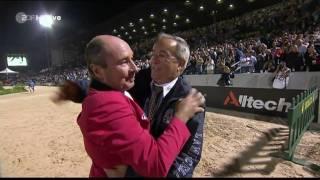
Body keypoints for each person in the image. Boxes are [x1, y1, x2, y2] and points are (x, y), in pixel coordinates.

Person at [54, 33, 206, 178]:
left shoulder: (191, 102)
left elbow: (190, 156)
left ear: (180, 65)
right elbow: (107, 83)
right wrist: (78, 89)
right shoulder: (138, 79)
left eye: (162, 55)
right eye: (153, 53)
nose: (153, 60)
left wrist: (133, 174)